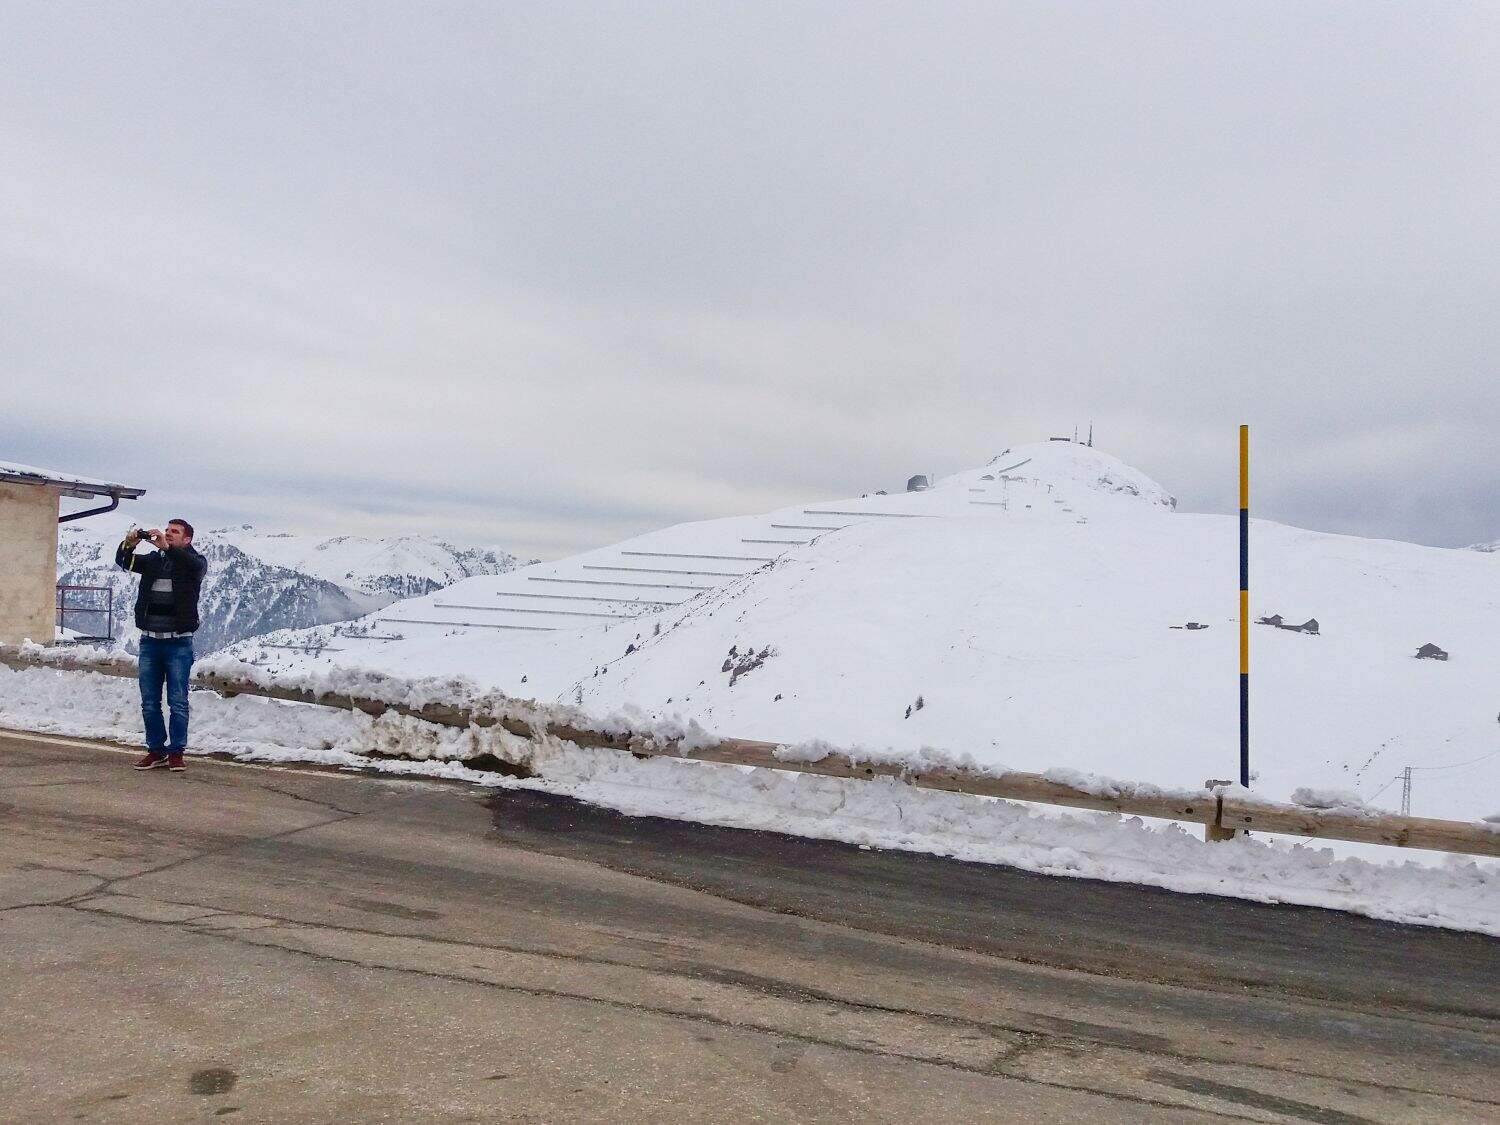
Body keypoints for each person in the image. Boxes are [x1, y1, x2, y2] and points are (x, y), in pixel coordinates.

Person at [115, 519, 208, 771]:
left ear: (187, 539)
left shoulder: (194, 563)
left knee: (177, 700)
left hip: (178, 642)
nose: (167, 534)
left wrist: (168, 548)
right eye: (166, 531)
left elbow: (191, 566)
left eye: (174, 532)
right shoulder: (154, 560)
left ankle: (176, 752)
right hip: (150, 641)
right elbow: (125, 562)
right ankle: (155, 750)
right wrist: (129, 544)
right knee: (149, 701)